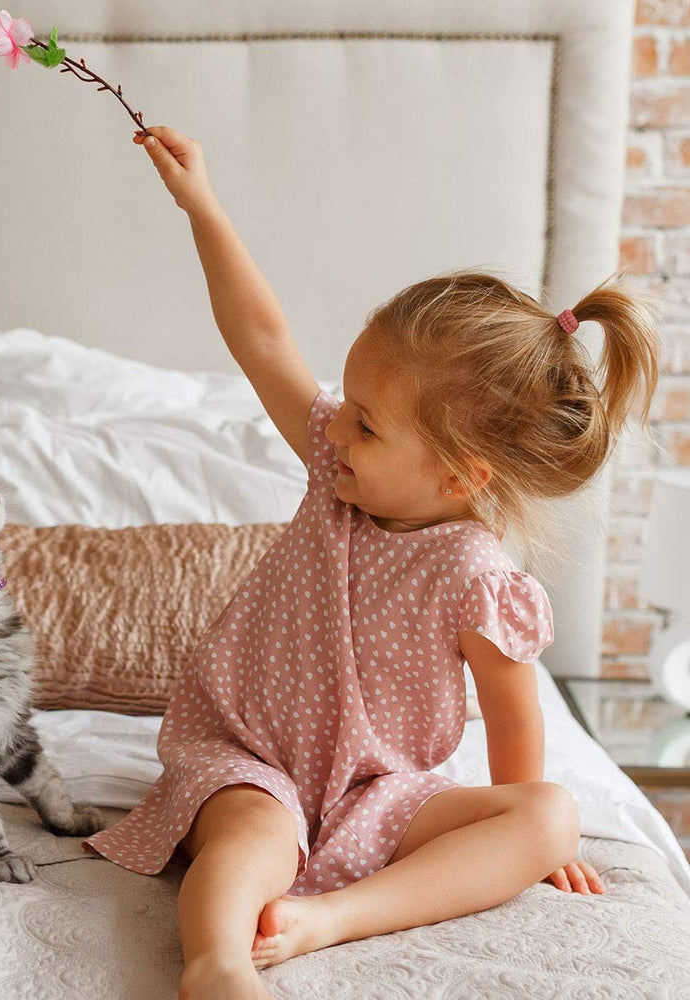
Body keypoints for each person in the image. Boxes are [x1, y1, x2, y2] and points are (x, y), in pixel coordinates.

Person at [80, 125, 662, 1000]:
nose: (336, 428)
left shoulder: (477, 574)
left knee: (550, 815)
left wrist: (536, 838)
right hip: (251, 757)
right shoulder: (332, 467)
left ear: (461, 473)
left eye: (366, 423)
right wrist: (201, 204)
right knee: (250, 841)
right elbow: (264, 339)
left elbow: (514, 726)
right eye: (346, 405)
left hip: (375, 789)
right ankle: (217, 963)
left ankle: (333, 917)